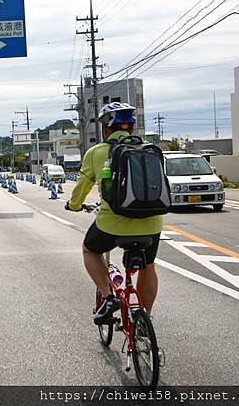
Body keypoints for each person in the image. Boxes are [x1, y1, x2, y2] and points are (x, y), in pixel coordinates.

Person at [65, 102, 164, 325]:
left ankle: (108, 297)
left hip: (113, 224)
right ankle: (144, 319)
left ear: (106, 128)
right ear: (130, 127)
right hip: (152, 222)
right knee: (149, 266)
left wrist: (73, 205)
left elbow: (82, 187)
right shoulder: (148, 150)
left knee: (89, 249)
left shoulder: (97, 152)